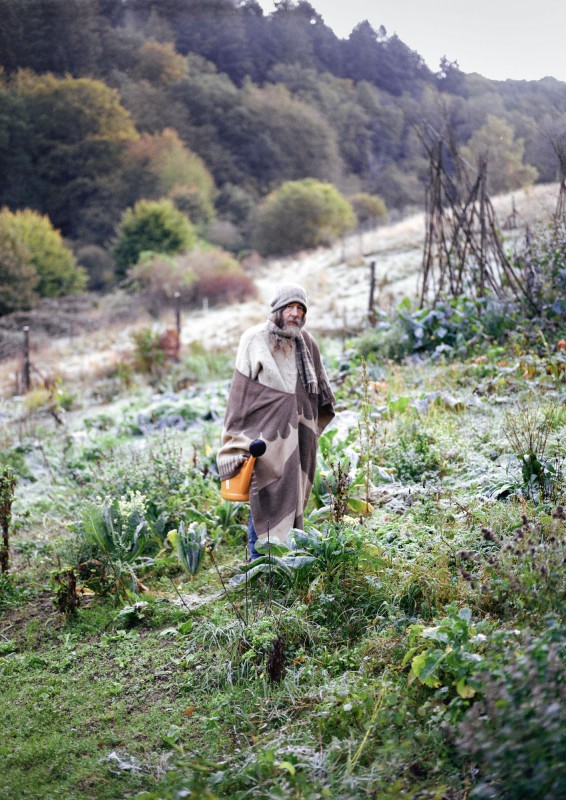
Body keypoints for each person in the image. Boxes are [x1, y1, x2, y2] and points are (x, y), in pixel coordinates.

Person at [217, 284, 335, 559]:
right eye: (290, 307)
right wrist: (242, 439)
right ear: (277, 309)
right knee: (268, 495)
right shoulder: (254, 339)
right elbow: (242, 397)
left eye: (300, 309)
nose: (295, 313)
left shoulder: (307, 342)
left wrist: (307, 425)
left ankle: (287, 561)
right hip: (267, 438)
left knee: (295, 496)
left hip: (301, 436)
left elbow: (320, 392)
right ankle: (259, 564)